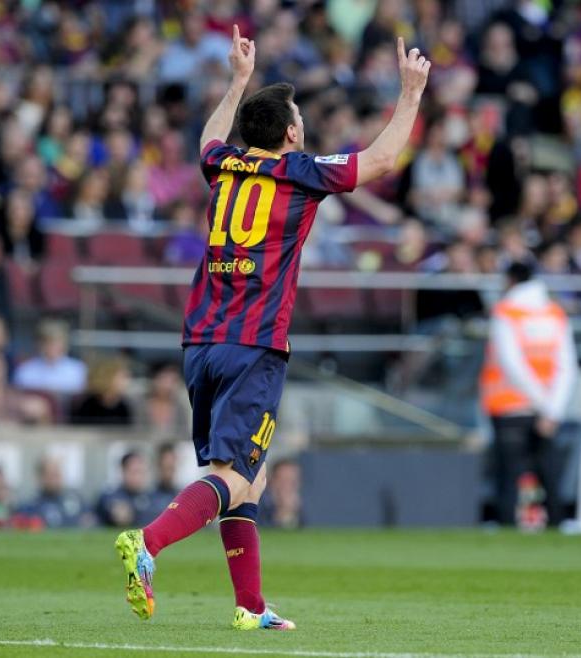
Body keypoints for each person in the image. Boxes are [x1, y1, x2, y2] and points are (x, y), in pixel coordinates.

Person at [115, 27, 431, 631]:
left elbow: (209, 136)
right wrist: (411, 92)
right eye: (300, 118)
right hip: (254, 345)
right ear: (290, 132)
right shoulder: (302, 172)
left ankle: (251, 606)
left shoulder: (221, 163)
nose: (304, 125)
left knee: (246, 478)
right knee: (231, 473)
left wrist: (237, 81)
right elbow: (384, 159)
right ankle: (148, 544)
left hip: (201, 343)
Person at [479, 262, 578, 526]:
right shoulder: (554, 313)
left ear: (511, 280)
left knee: (509, 477)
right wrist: (551, 410)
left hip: (509, 407)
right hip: (547, 412)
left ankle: (507, 536)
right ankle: (559, 530)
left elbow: (512, 366)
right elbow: (567, 367)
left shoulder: (506, 312)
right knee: (549, 476)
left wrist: (542, 404)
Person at [13, 319, 87, 395]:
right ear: (39, 344)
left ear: (65, 343)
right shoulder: (25, 371)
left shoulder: (78, 369)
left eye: (57, 342)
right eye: (48, 342)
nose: (52, 347)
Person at [17, 456, 94, 528]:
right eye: (51, 475)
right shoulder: (30, 507)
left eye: (57, 474)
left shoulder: (77, 500)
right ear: (40, 478)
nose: (55, 480)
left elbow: (92, 521)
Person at [97, 452, 158, 528]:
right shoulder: (110, 495)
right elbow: (120, 517)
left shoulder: (151, 497)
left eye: (142, 472)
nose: (138, 477)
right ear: (123, 471)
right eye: (135, 472)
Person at [70, 357, 134, 425]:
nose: (126, 382)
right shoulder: (87, 405)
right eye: (122, 377)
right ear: (109, 378)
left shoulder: (123, 407)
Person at [257, 459, 303, 529]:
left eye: (292, 482)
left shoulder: (300, 509)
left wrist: (289, 515)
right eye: (282, 481)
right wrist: (281, 513)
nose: (287, 487)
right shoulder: (258, 505)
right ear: (271, 481)